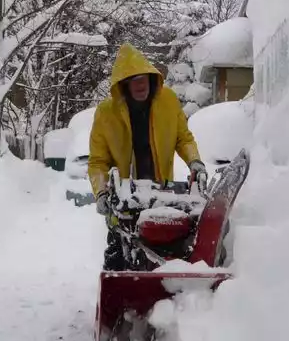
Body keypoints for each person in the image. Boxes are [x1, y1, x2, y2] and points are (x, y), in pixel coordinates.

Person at [88, 43, 207, 270]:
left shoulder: (168, 101)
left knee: (169, 249)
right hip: (124, 200)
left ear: (152, 79)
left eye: (144, 78)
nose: (141, 84)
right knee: (120, 257)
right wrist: (102, 192)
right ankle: (120, 296)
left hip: (161, 192)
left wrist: (195, 161)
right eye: (134, 79)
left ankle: (170, 296)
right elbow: (98, 162)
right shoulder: (106, 113)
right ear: (124, 84)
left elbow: (183, 138)